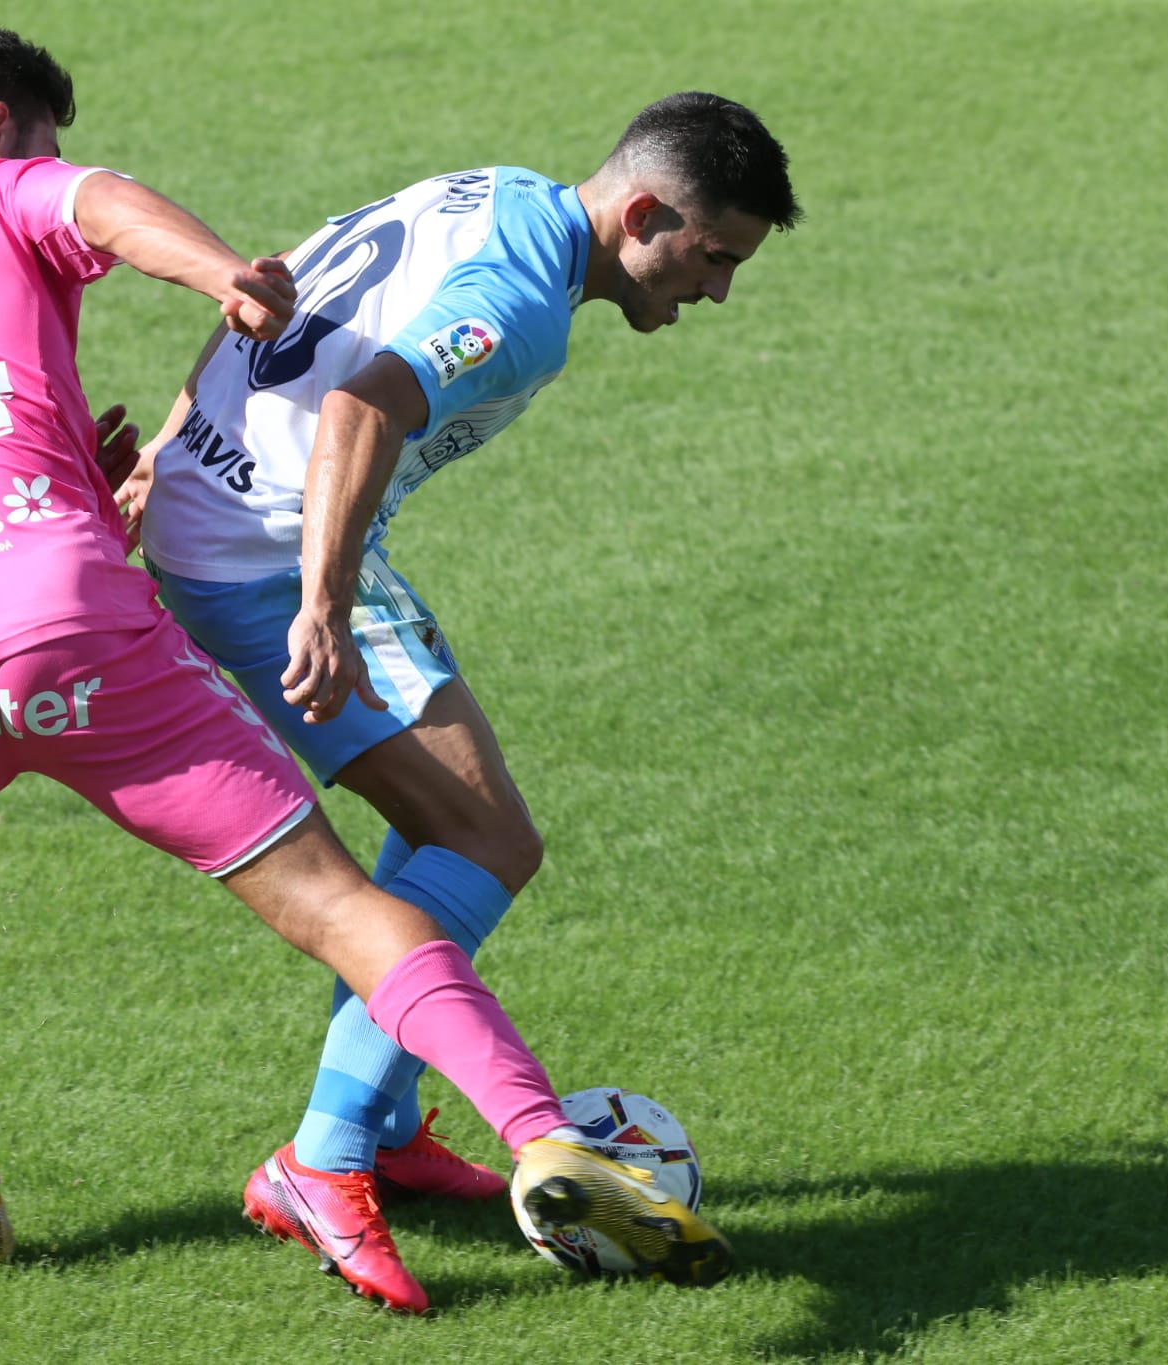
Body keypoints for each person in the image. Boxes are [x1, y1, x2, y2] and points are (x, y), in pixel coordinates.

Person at [0, 24, 733, 1312]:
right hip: (98, 613)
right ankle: (504, 1139)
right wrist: (224, 273)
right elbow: (104, 211)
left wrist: (140, 464)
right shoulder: (5, 187)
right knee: (385, 879)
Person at [129, 92, 800, 1303]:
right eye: (710, 257)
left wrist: (170, 449)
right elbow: (359, 403)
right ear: (642, 211)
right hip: (269, 554)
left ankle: (377, 1128)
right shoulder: (522, 306)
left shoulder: (490, 190)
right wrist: (322, 605)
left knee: (436, 833)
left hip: (224, 515)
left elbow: (273, 293)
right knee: (487, 839)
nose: (713, 293)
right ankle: (319, 1162)